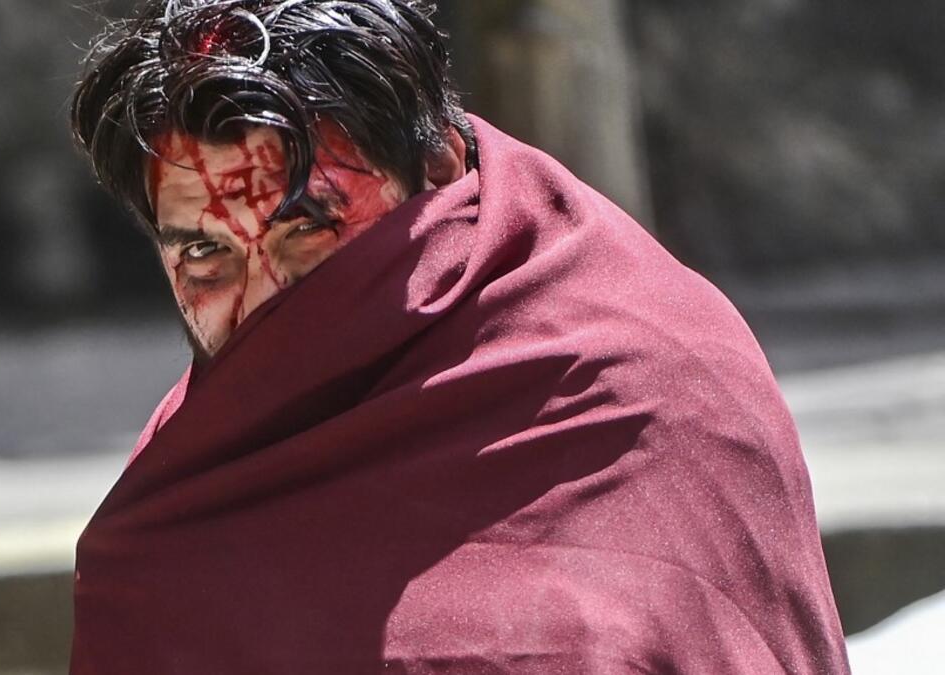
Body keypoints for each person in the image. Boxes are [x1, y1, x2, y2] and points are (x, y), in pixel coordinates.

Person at [67, 1, 850, 672]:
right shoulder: (182, 507)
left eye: (306, 228)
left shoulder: (650, 377)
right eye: (205, 252)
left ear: (436, 170)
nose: (268, 302)